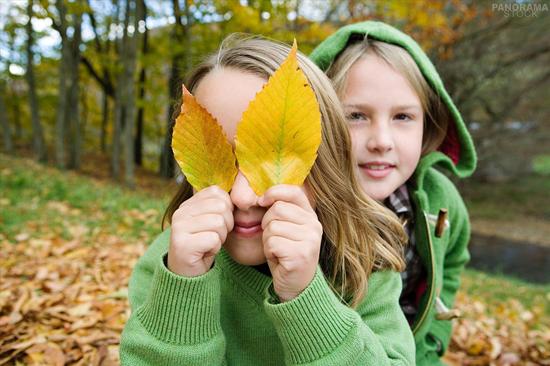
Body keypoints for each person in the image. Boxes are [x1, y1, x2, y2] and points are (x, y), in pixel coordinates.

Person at [119, 35, 415, 365]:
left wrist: (305, 298)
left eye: (270, 161)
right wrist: (183, 290)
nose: (244, 197)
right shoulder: (169, 264)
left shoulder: (364, 265)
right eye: (221, 161)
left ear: (327, 165)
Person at [310, 21, 477, 365]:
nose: (381, 141)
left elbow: (451, 267)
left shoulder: (442, 201)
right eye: (356, 116)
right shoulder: (302, 205)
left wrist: (430, 348)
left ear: (428, 125)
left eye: (402, 116)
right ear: (318, 119)